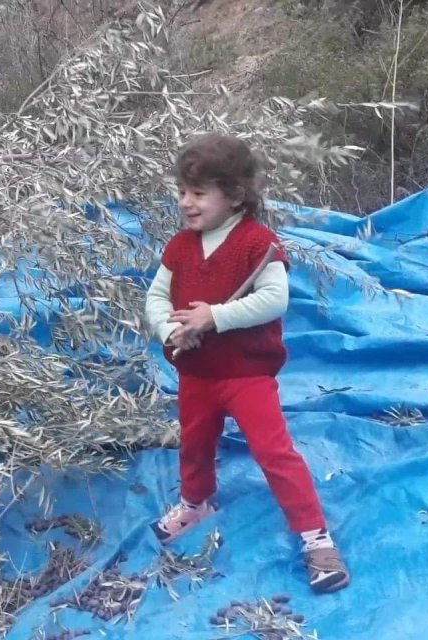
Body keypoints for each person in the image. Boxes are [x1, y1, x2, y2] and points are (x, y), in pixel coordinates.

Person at [143, 133, 350, 594]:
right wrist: (169, 330)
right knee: (194, 444)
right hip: (196, 373)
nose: (187, 203)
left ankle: (316, 537)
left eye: (198, 193)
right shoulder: (181, 246)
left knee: (274, 452)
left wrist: (213, 317)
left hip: (246, 375)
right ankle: (195, 504)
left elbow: (275, 300)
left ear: (234, 195)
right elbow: (157, 295)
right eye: (182, 192)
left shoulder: (256, 244)